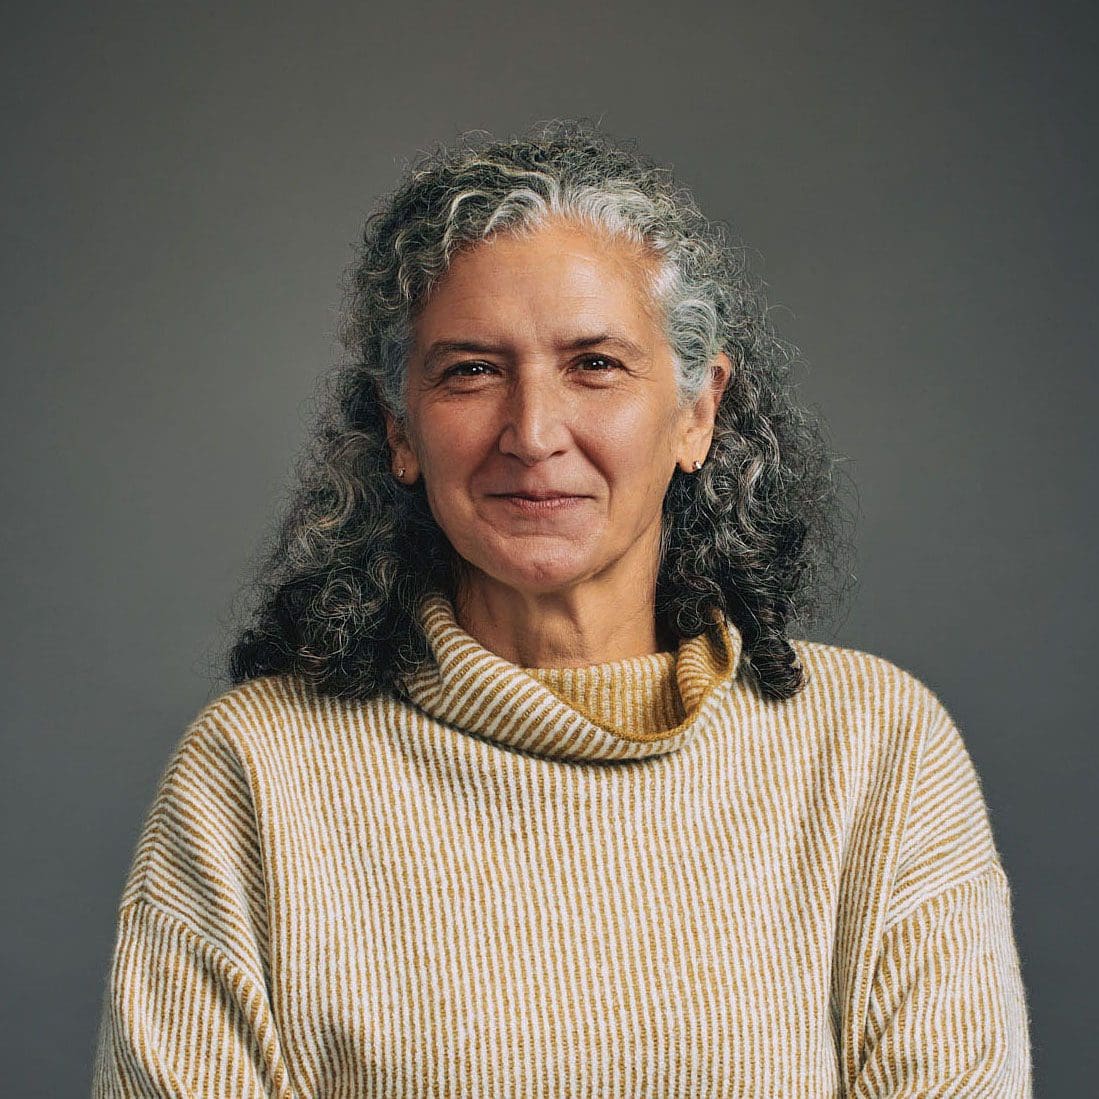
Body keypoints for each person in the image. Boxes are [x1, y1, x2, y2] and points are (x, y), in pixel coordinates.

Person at [92, 120, 1032, 1096]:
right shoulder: (250, 774)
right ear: (399, 430)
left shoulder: (875, 751)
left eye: (594, 365)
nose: (533, 432)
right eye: (469, 371)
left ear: (696, 412)